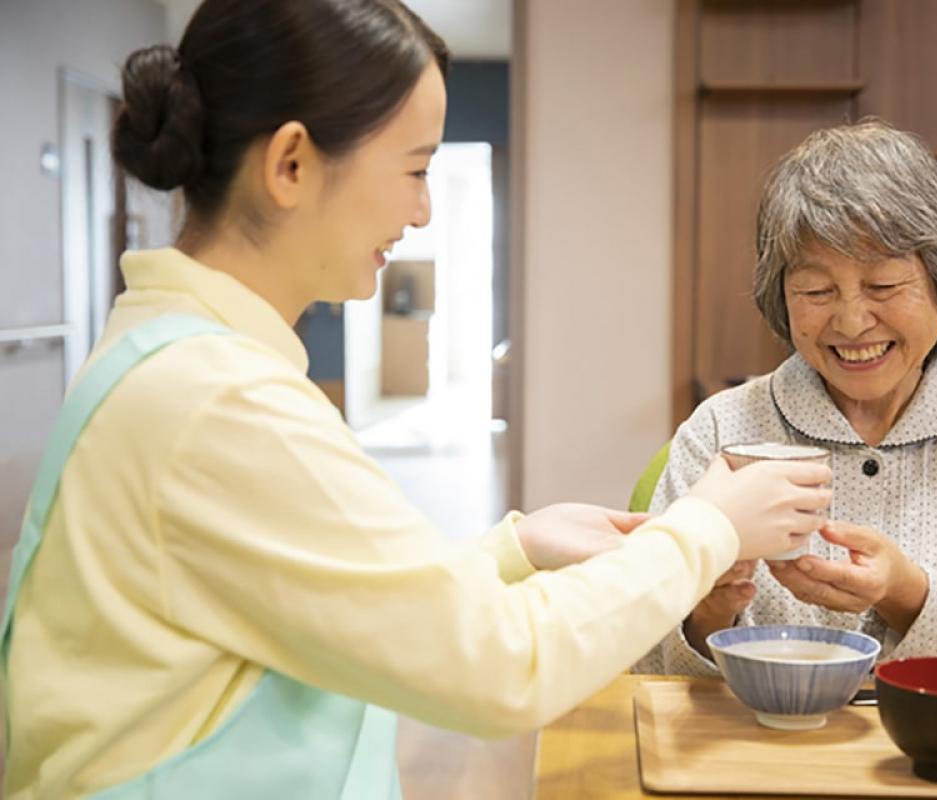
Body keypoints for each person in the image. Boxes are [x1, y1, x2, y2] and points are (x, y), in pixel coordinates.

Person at [0, 2, 832, 797]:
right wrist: (709, 525)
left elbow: (327, 596)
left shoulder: (168, 354)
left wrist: (514, 549)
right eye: (413, 168)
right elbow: (503, 667)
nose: (424, 209)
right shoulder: (217, 403)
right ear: (290, 164)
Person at [634, 120, 937, 677]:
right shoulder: (723, 427)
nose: (851, 321)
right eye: (816, 292)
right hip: (758, 751)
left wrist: (906, 592)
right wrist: (705, 612)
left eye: (884, 286)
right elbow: (647, 660)